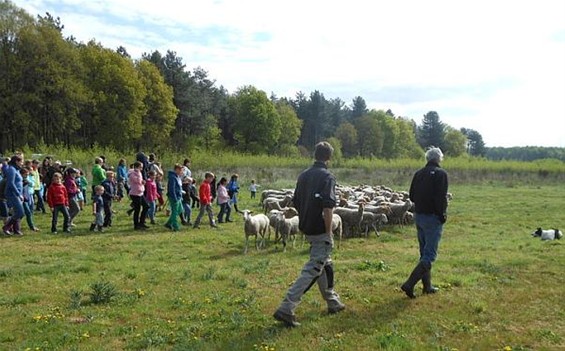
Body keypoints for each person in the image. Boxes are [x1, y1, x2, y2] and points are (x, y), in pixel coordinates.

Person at [273, 142, 345, 327]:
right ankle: (286, 307)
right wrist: (329, 232)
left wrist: (306, 217)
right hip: (320, 228)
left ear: (315, 155)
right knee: (313, 268)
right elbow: (328, 207)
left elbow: (296, 200)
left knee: (324, 263)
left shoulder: (304, 175)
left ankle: (333, 302)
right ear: (329, 157)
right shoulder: (327, 177)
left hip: (306, 225)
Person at [401, 147, 449, 299]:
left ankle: (427, 286)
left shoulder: (419, 173)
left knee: (424, 252)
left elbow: (412, 196)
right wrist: (442, 214)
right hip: (433, 217)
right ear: (439, 158)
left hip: (419, 216)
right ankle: (409, 284)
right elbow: (441, 197)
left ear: (427, 158)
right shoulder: (441, 174)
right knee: (429, 255)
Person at [2, 155, 25, 236]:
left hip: (17, 194)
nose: (22, 163)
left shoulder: (16, 169)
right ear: (16, 161)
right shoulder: (11, 169)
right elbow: (11, 183)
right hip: (12, 194)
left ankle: (16, 230)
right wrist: (18, 194)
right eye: (21, 161)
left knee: (17, 212)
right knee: (20, 212)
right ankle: (6, 227)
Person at [128, 161, 149, 230]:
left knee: (146, 206)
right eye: (141, 167)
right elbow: (136, 180)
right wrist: (141, 181)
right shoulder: (132, 173)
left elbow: (141, 181)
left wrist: (143, 181)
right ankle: (136, 225)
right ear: (137, 167)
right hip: (135, 193)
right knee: (137, 209)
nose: (142, 169)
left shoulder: (139, 173)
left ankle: (142, 222)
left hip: (140, 192)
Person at [164, 164, 184, 231]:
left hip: (178, 196)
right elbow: (172, 189)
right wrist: (175, 198)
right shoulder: (172, 177)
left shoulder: (177, 176)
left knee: (180, 210)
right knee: (175, 212)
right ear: (177, 169)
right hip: (174, 197)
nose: (181, 172)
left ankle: (168, 223)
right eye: (180, 170)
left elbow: (179, 187)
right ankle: (176, 227)